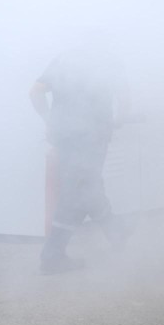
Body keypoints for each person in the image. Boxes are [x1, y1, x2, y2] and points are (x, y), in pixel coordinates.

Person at [29, 38, 131, 274]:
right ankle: (52, 257)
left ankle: (115, 231)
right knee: (77, 193)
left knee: (88, 186)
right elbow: (125, 99)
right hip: (94, 138)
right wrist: (119, 120)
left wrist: (49, 120)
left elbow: (35, 92)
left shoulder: (64, 59)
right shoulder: (110, 61)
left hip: (65, 136)